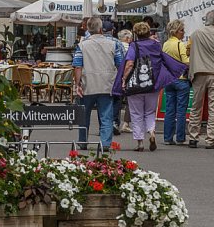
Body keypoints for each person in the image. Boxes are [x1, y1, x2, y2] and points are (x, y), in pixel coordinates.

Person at [118, 22, 187, 152]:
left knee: (137, 113)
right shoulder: (156, 45)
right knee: (150, 112)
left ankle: (140, 143)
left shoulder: (134, 46)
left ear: (136, 33)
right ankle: (151, 132)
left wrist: (123, 79)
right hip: (152, 84)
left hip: (135, 86)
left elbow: (130, 64)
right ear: (149, 32)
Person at [72, 16, 124, 151]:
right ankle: (105, 143)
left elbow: (77, 66)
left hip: (87, 84)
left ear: (88, 29)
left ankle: (83, 141)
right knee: (106, 115)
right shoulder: (114, 44)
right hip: (107, 84)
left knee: (84, 115)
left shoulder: (82, 45)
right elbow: (120, 64)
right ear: (101, 29)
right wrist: (120, 82)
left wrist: (77, 85)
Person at [186, 10, 214, 149]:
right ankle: (210, 140)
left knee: (195, 106)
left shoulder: (195, 34)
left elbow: (188, 51)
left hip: (198, 73)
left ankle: (193, 137)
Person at [161, 19, 191, 145]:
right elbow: (186, 62)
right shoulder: (179, 44)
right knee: (181, 110)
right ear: (176, 31)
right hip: (181, 79)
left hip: (169, 79)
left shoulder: (165, 44)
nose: (183, 33)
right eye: (182, 30)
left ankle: (168, 137)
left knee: (169, 109)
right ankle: (180, 137)